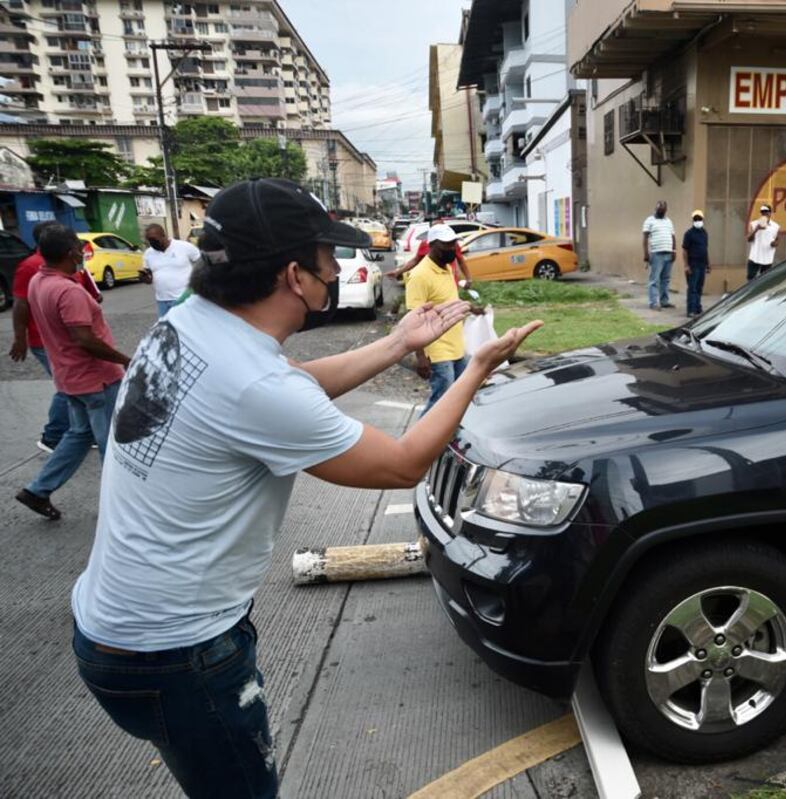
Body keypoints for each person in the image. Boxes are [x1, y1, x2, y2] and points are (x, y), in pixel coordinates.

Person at [69, 178, 540, 799]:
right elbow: (401, 465)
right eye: (328, 262)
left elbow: (293, 384)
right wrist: (476, 369)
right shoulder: (251, 384)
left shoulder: (189, 326)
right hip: (178, 654)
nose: (336, 273)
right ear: (295, 276)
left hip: (115, 630)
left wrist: (398, 342)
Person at [15, 225, 129, 520]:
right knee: (111, 443)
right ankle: (120, 508)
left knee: (80, 434)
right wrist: (125, 360)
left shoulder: (39, 281)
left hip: (70, 378)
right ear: (69, 252)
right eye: (79, 248)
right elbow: (85, 339)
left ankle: (38, 490)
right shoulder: (67, 290)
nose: (82, 253)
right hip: (96, 379)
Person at [9, 220, 103, 452]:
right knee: (69, 388)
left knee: (76, 388)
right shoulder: (32, 267)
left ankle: (82, 431)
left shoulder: (69, 264)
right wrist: (20, 338)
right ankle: (53, 436)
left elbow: (88, 290)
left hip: (72, 336)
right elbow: (21, 304)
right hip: (47, 340)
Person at [407, 223, 486, 415]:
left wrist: (471, 308)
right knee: (441, 401)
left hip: (455, 345)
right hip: (437, 351)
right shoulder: (419, 275)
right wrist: (420, 356)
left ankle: (451, 435)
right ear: (432, 245)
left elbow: (451, 300)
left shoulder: (447, 269)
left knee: (461, 396)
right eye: (446, 245)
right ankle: (420, 441)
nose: (452, 249)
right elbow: (412, 320)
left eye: (453, 245)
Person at [141, 223, 202, 317]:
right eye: (149, 241)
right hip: (162, 301)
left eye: (154, 240)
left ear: (163, 235)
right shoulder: (148, 254)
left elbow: (202, 263)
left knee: (185, 328)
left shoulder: (184, 247)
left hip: (183, 298)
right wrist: (145, 278)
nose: (152, 243)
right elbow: (149, 278)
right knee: (166, 330)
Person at [387, 221, 473, 287]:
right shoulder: (425, 244)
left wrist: (468, 279)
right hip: (430, 284)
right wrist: (399, 272)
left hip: (449, 283)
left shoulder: (453, 245)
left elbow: (461, 261)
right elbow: (415, 260)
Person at [642, 200, 676, 309]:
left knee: (665, 279)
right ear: (656, 209)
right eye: (659, 209)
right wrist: (646, 253)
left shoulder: (669, 221)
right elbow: (645, 238)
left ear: (666, 210)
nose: (661, 211)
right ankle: (653, 303)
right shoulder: (649, 220)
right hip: (656, 253)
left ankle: (664, 301)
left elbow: (673, 236)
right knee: (655, 279)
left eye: (663, 209)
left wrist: (674, 251)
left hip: (668, 253)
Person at [681, 209, 710, 318]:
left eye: (700, 219)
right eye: (696, 219)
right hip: (693, 264)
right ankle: (691, 310)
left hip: (702, 264)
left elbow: (705, 249)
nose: (698, 221)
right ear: (693, 220)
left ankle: (698, 308)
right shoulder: (689, 234)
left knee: (699, 287)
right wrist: (686, 265)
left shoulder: (704, 233)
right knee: (692, 288)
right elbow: (684, 250)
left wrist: (708, 264)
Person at [746, 203, 780, 281]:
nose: (764, 214)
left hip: (767, 259)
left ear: (770, 213)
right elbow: (749, 239)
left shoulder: (775, 226)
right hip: (755, 258)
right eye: (763, 212)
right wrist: (756, 229)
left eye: (766, 212)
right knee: (750, 280)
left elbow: (777, 240)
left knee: (765, 281)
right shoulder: (754, 224)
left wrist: (774, 243)